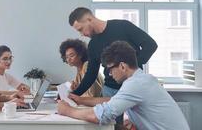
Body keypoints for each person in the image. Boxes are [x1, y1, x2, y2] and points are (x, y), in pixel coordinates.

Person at [57, 41, 190, 130]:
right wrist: (81, 100)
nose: (109, 73)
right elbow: (113, 100)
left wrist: (68, 110)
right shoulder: (141, 79)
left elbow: (101, 116)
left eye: (110, 69)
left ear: (122, 66)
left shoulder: (135, 84)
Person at [69, 7, 158, 123]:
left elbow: (150, 45)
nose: (82, 34)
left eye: (81, 29)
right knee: (110, 126)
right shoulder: (93, 45)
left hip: (134, 87)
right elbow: (91, 73)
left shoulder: (123, 26)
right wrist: (73, 95)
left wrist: (131, 66)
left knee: (140, 123)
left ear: (89, 19)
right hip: (110, 90)